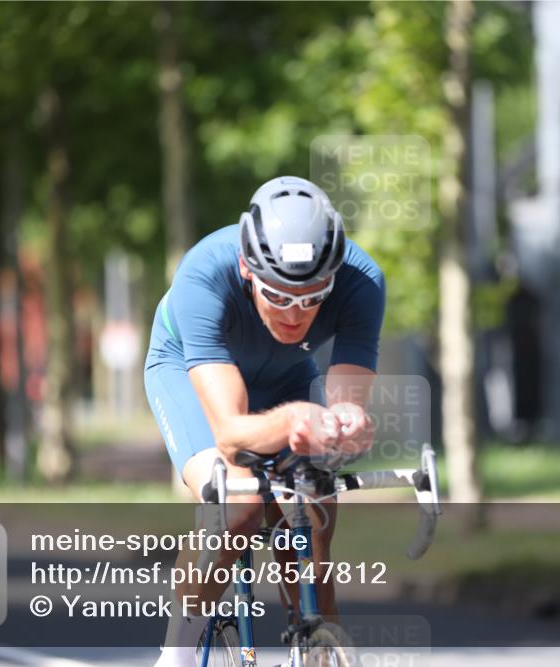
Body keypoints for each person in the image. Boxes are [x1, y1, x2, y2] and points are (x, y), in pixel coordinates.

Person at [144, 176, 385, 666]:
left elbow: (345, 403)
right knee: (240, 505)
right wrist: (296, 418)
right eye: (279, 296)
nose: (295, 316)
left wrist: (348, 424)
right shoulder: (203, 277)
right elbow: (231, 436)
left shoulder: (363, 281)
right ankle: (177, 656)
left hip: (286, 375)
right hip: (187, 369)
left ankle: (314, 643)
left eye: (312, 297)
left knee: (312, 509)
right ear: (246, 269)